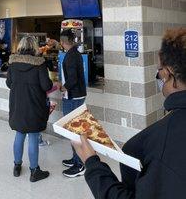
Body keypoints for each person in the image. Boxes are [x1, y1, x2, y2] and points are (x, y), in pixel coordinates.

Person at [73, 28, 186, 199]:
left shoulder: (165, 142)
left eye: (159, 69)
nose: (158, 75)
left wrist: (93, 164)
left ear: (168, 73)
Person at [6, 35, 52, 183]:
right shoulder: (40, 64)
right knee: (33, 135)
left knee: (19, 134)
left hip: (17, 104)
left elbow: (9, 83)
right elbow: (46, 86)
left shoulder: (13, 63)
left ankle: (17, 167)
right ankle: (34, 171)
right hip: (34, 105)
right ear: (34, 47)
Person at [59, 29, 87, 178]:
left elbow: (73, 79)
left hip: (74, 96)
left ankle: (79, 164)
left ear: (64, 42)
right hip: (76, 95)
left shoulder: (70, 56)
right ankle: (75, 158)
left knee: (74, 131)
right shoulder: (75, 53)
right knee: (73, 130)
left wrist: (63, 87)